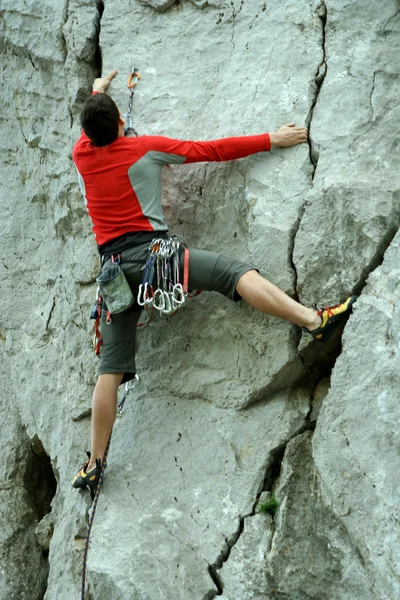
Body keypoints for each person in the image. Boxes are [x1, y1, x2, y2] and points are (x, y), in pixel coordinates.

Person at [72, 70, 356, 495]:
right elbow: (210, 150)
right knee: (233, 273)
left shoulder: (82, 153)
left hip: (113, 274)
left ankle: (94, 463)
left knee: (109, 369)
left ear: (88, 134)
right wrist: (270, 139)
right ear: (118, 123)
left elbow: (91, 117)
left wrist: (97, 89)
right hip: (155, 262)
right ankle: (314, 322)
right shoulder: (146, 148)